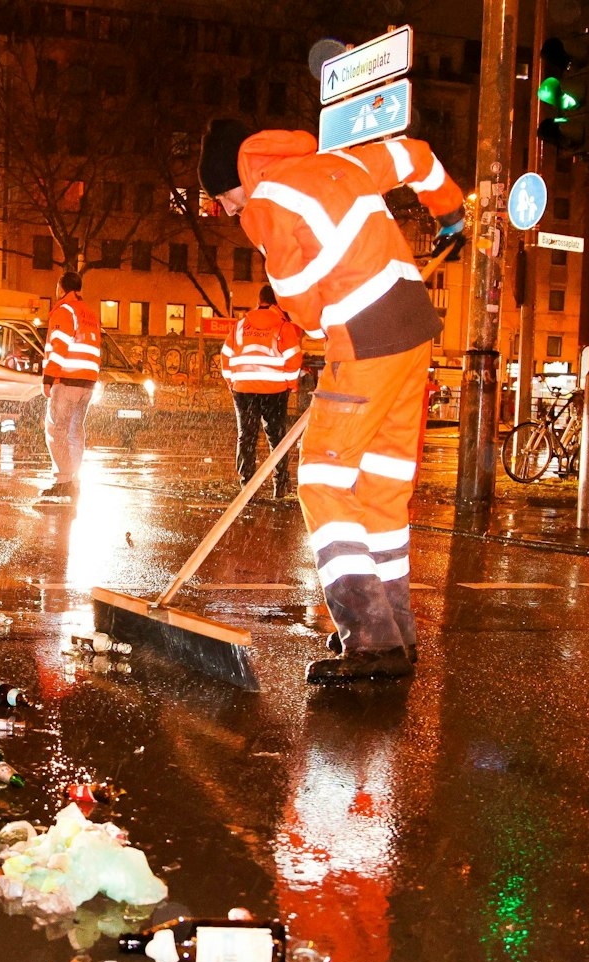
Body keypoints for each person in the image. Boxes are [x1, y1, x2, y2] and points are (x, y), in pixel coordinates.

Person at [199, 119, 464, 683]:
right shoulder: (344, 162)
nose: (227, 208)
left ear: (239, 174)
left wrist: (324, 321)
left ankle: (369, 639)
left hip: (365, 339)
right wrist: (451, 214)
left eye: (223, 196)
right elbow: (416, 155)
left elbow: (298, 302)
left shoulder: (267, 203)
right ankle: (393, 628)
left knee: (321, 481)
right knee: (381, 488)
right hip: (415, 329)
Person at [220, 284, 303, 499]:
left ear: (259, 301)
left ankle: (247, 486)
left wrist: (232, 381)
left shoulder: (240, 326)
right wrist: (291, 384)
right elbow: (293, 358)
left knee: (246, 437)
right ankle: (280, 485)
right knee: (277, 438)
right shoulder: (283, 326)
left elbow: (225, 355)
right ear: (277, 303)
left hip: (244, 390)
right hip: (274, 390)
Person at [39, 270, 100, 501]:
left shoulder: (65, 311)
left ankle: (64, 480)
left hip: (67, 380)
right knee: (75, 432)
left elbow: (58, 348)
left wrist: (48, 378)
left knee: (57, 430)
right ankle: (73, 479)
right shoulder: (90, 314)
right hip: (87, 382)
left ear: (61, 288)